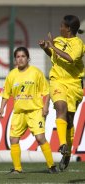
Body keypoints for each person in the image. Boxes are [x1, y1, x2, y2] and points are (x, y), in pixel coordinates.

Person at [0, 47, 58, 174]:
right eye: (18, 57)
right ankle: (17, 168)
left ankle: (51, 166)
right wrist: (2, 108)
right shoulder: (12, 75)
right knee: (13, 139)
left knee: (40, 138)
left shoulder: (36, 72)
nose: (20, 59)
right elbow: (6, 93)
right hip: (19, 113)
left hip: (34, 111)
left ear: (28, 58)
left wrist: (46, 106)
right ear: (15, 60)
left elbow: (46, 91)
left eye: (23, 56)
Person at [39, 15, 84, 171]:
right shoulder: (57, 41)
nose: (60, 28)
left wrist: (52, 46)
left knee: (70, 121)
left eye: (62, 26)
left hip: (73, 84)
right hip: (57, 80)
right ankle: (63, 144)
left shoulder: (78, 44)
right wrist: (46, 47)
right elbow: (54, 56)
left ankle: (67, 154)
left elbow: (70, 59)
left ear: (69, 29)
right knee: (60, 107)